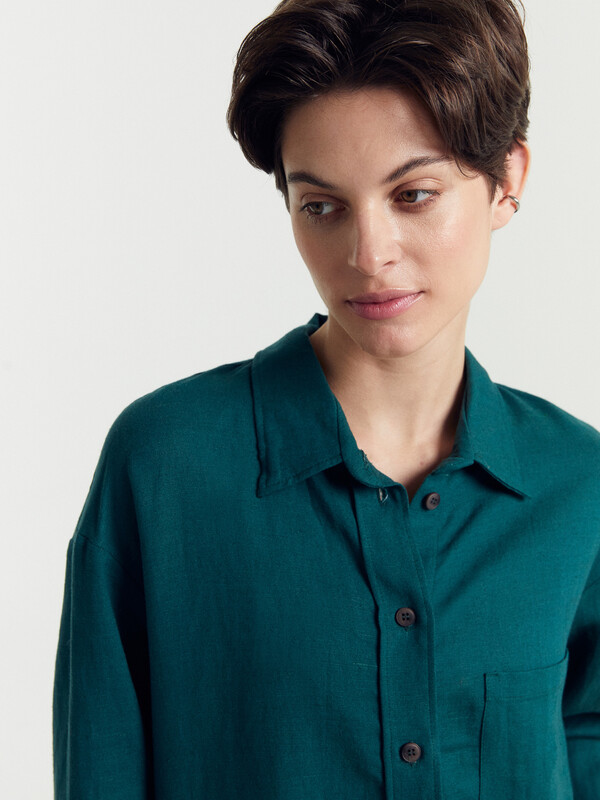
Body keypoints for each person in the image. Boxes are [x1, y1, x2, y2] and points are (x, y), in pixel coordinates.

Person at [53, 0, 600, 797]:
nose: (368, 255)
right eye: (322, 206)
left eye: (413, 194)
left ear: (507, 181)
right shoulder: (165, 467)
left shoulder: (579, 484)